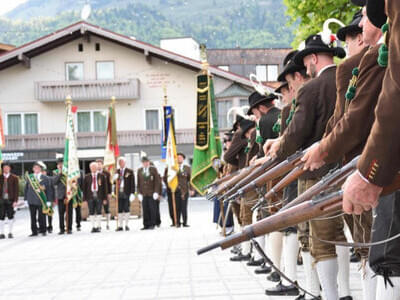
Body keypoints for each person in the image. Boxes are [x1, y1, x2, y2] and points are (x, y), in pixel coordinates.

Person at [301, 6, 384, 299]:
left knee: (375, 249)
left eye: (352, 36)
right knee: (371, 247)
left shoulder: (357, 65)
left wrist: (323, 149)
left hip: (368, 166)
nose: (349, 44)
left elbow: (351, 119)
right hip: (366, 163)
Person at [24, 161, 53, 237]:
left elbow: (49, 190)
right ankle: (34, 231)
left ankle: (43, 230)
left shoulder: (45, 178)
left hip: (41, 200)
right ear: (33, 169)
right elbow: (26, 188)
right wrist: (25, 199)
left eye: (38, 168)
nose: (36, 169)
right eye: (35, 168)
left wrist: (49, 200)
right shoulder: (30, 177)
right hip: (31, 200)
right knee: (32, 216)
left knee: (42, 216)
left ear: (41, 169)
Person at [164, 153, 192, 227]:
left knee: (184, 207)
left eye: (181, 158)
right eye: (178, 157)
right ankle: (177, 222)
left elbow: (190, 179)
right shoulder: (171, 168)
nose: (179, 159)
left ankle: (185, 222)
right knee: (176, 207)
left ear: (183, 159)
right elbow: (165, 178)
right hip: (175, 190)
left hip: (184, 190)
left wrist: (191, 189)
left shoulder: (187, 168)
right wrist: (169, 187)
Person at [137, 157, 161, 230]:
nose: (145, 163)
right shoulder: (140, 170)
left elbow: (157, 181)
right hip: (144, 193)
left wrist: (156, 192)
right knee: (145, 209)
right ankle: (146, 224)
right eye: (144, 162)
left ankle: (152, 223)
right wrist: (139, 193)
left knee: (152, 209)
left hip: (152, 193)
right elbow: (139, 183)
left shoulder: (153, 169)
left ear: (149, 162)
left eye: (147, 162)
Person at [83, 162, 107, 233]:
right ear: (90, 168)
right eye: (92, 167)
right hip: (90, 196)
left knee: (99, 211)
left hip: (99, 195)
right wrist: (84, 199)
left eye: (94, 167)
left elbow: (105, 188)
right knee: (91, 211)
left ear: (97, 168)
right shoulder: (87, 177)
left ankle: (99, 226)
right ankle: (93, 226)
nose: (93, 169)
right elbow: (84, 189)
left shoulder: (102, 176)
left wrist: (105, 198)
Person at [52, 158, 73, 234]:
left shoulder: (69, 172)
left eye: (62, 164)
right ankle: (61, 229)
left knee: (69, 213)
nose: (60, 165)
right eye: (59, 164)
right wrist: (60, 173)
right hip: (60, 196)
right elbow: (54, 182)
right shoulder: (55, 172)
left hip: (69, 194)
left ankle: (69, 228)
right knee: (61, 213)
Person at [115, 157, 135, 231]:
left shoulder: (129, 171)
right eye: (119, 162)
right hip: (119, 192)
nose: (121, 164)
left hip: (126, 191)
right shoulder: (116, 171)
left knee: (126, 208)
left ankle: (126, 225)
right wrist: (115, 178)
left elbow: (132, 182)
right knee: (119, 209)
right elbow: (114, 183)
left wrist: (132, 193)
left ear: (125, 163)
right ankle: (120, 225)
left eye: (122, 162)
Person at [0, 162, 19, 239]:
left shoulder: (14, 178)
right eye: (4, 167)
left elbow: (16, 190)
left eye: (7, 167)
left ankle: (10, 232)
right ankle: (2, 233)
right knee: (1, 216)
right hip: (1, 200)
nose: (6, 168)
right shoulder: (0, 177)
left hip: (10, 199)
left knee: (11, 216)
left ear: (10, 168)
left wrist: (15, 201)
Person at [96, 159, 112, 230]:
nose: (98, 166)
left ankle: (108, 223)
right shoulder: (94, 173)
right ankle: (99, 225)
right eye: (97, 164)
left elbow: (110, 184)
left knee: (106, 209)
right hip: (97, 194)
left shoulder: (107, 173)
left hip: (105, 193)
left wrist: (109, 193)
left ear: (102, 165)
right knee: (98, 209)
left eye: (100, 164)